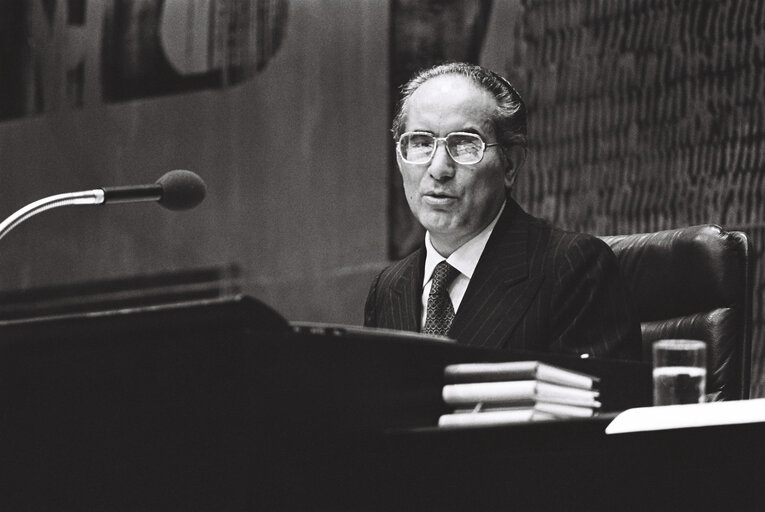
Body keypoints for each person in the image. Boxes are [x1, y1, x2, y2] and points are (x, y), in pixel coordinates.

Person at [364, 62, 641, 360]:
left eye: (465, 145)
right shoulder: (388, 288)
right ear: (399, 158)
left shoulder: (574, 269)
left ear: (510, 165)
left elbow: (597, 403)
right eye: (420, 143)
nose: (439, 169)